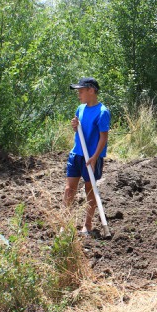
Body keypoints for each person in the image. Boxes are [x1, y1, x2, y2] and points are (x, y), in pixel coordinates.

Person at [63, 77, 111, 235]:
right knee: (69, 189)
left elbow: (103, 138)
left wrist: (95, 157)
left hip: (91, 157)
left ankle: (87, 225)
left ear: (91, 91)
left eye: (81, 91)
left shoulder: (102, 112)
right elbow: (79, 132)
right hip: (76, 153)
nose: (79, 94)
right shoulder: (80, 108)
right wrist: (75, 127)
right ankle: (66, 223)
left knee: (90, 190)